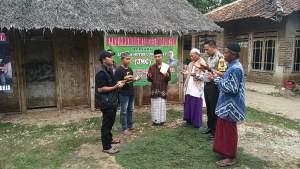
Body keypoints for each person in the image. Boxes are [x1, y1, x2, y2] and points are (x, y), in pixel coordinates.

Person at [210, 42, 246, 167]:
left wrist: (217, 79)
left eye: (226, 52)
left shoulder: (236, 68)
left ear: (233, 54)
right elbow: (228, 79)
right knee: (223, 128)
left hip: (232, 106)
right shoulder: (232, 65)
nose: (224, 55)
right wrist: (219, 76)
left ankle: (230, 156)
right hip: (227, 104)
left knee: (229, 131)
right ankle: (224, 152)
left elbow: (233, 88)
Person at [95, 50, 125, 155]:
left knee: (110, 122)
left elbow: (111, 84)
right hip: (106, 103)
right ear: (104, 60)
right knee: (106, 125)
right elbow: (100, 89)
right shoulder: (101, 73)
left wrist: (119, 83)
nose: (112, 59)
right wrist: (115, 87)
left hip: (111, 101)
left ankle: (109, 139)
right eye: (110, 57)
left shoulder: (109, 70)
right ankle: (107, 147)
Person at [201, 40, 224, 139]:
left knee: (214, 108)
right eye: (205, 50)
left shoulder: (221, 57)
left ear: (213, 47)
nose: (206, 51)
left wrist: (209, 69)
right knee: (209, 107)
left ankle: (215, 131)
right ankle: (210, 127)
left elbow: (222, 73)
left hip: (215, 85)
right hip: (207, 84)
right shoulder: (210, 57)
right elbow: (208, 70)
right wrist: (204, 69)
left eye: (207, 49)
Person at [115, 52, 141, 135]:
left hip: (131, 92)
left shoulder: (130, 69)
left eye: (129, 59)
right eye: (127, 59)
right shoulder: (119, 70)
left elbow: (130, 80)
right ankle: (124, 128)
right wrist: (126, 80)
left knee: (130, 110)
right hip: (123, 93)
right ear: (122, 59)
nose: (129, 60)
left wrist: (135, 79)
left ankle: (130, 125)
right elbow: (117, 82)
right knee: (124, 111)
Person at [181, 48, 207, 128]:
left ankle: (196, 123)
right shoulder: (191, 63)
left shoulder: (202, 63)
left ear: (197, 55)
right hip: (189, 86)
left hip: (197, 87)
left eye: (192, 56)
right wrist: (185, 73)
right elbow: (189, 73)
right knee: (189, 103)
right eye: (190, 56)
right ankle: (189, 120)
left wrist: (195, 75)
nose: (191, 57)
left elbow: (205, 76)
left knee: (196, 104)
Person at [147, 49, 171, 125]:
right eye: (156, 57)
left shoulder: (166, 66)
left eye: (159, 56)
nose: (157, 58)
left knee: (162, 105)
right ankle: (155, 121)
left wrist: (167, 75)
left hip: (162, 89)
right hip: (154, 89)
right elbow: (149, 79)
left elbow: (169, 78)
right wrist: (149, 76)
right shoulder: (151, 67)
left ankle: (162, 121)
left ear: (162, 56)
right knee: (154, 105)